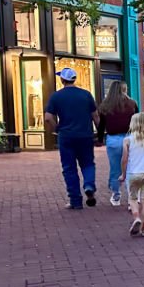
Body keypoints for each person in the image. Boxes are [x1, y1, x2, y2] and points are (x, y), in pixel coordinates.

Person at [44, 67, 99, 210]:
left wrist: (57, 129)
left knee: (69, 168)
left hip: (66, 136)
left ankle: (75, 200)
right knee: (88, 164)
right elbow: (96, 116)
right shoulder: (86, 95)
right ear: (74, 79)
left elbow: (48, 118)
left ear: (62, 80)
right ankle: (89, 185)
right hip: (85, 135)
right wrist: (100, 133)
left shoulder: (56, 96)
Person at [97, 80, 138, 206]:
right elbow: (137, 121)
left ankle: (116, 195)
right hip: (130, 137)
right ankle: (132, 198)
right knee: (131, 167)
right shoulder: (132, 103)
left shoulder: (105, 105)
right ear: (124, 89)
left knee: (115, 168)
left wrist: (99, 139)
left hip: (113, 139)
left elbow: (101, 126)